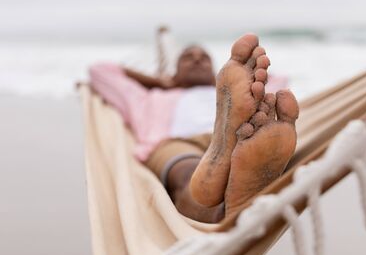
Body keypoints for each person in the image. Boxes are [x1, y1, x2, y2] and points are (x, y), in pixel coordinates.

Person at [89, 34, 299, 223]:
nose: (197, 59)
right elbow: (99, 71)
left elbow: (279, 84)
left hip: (241, 136)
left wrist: (232, 81)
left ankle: (226, 184)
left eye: (204, 58)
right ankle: (223, 207)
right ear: (175, 73)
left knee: (238, 141)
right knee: (189, 172)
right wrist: (159, 83)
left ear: (216, 72)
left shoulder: (235, 91)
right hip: (177, 142)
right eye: (188, 58)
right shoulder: (150, 98)